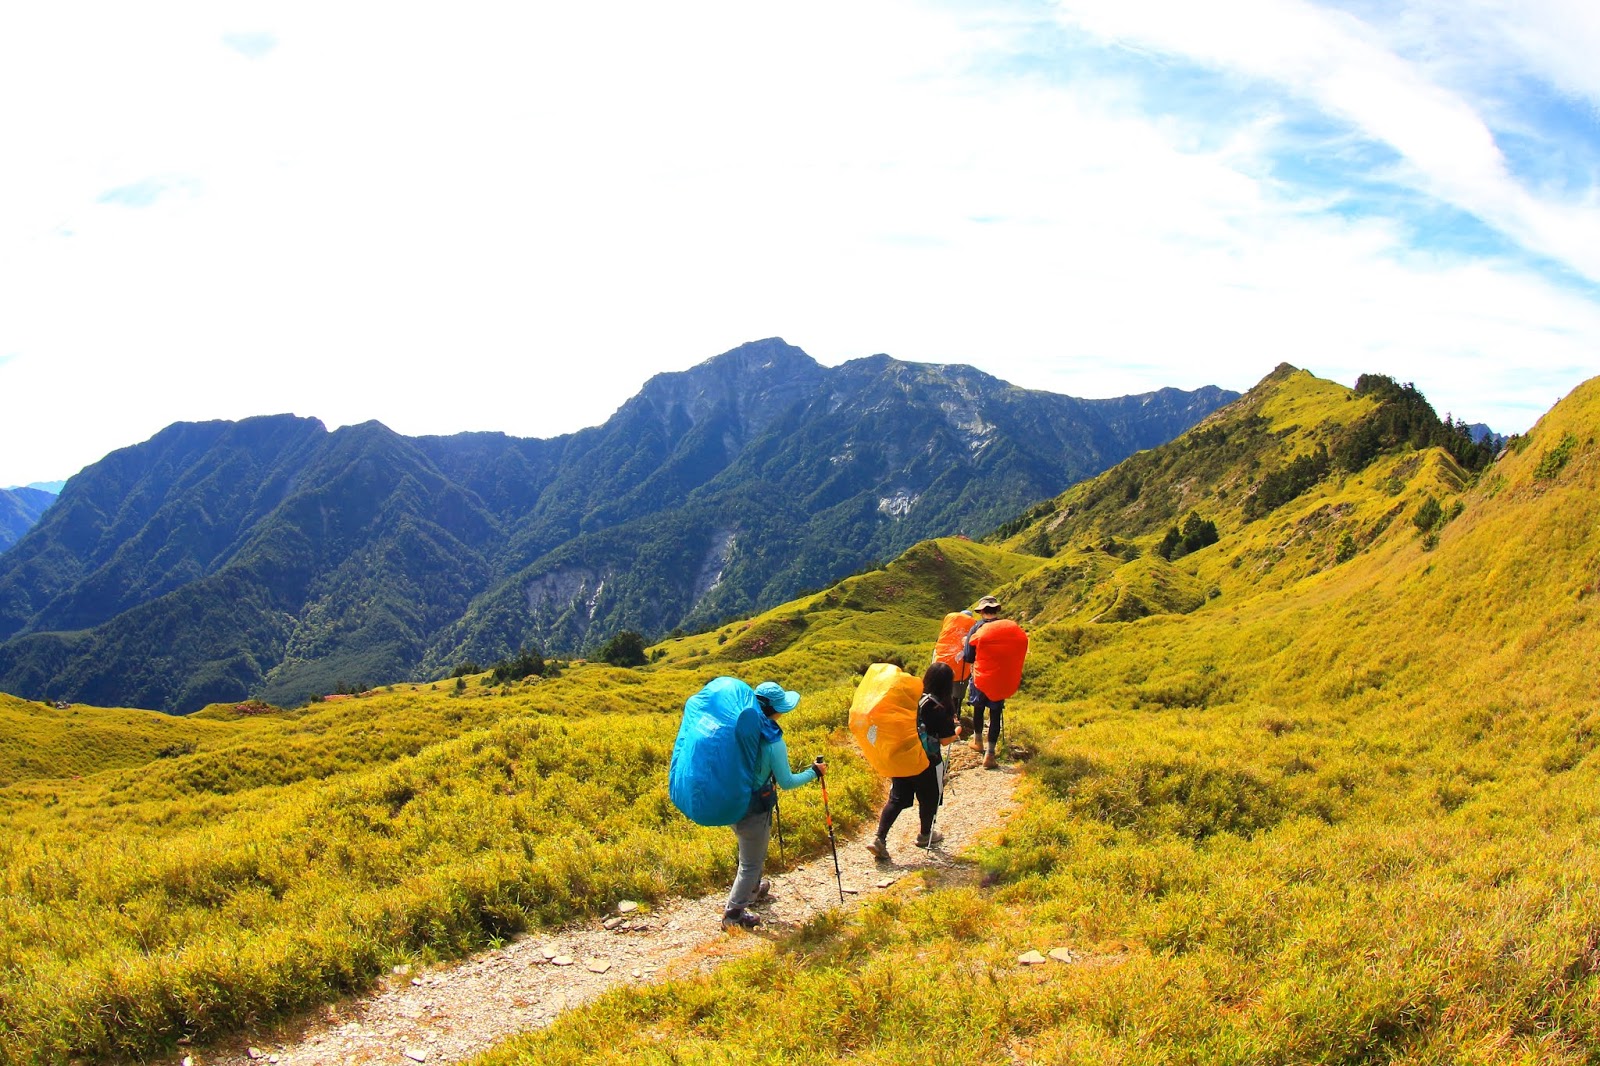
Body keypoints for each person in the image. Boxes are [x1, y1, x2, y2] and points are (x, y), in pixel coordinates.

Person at [722, 680, 826, 931]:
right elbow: (787, 782)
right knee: (750, 863)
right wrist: (815, 772)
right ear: (775, 710)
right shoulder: (772, 742)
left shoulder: (739, 730)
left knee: (748, 851)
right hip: (755, 807)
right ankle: (733, 913)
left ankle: (754, 890)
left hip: (732, 800)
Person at [866, 661, 960, 862]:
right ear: (947, 684)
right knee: (930, 798)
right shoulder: (939, 707)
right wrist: (957, 732)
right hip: (926, 761)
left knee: (897, 798)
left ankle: (879, 838)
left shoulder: (910, 700)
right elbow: (945, 740)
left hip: (902, 756)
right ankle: (926, 835)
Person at [963, 595, 1005, 768]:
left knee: (978, 708)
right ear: (996, 610)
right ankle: (990, 754)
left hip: (980, 676)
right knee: (995, 713)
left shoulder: (976, 628)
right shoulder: (1004, 628)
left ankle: (978, 741)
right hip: (999, 677)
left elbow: (968, 656)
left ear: (981, 612)